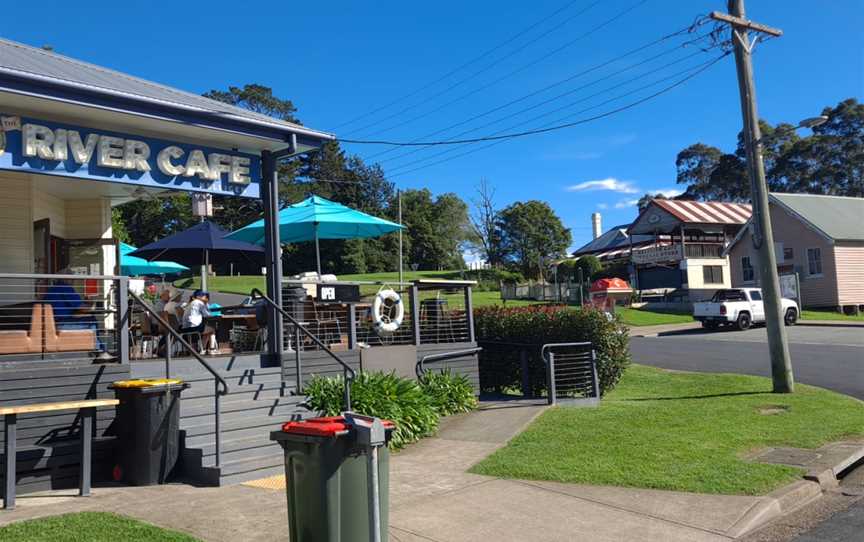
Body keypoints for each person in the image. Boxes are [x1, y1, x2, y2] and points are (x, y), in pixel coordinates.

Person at [42, 270, 103, 350]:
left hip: (55, 324)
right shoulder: (65, 287)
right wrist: (91, 304)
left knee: (89, 319)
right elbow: (81, 308)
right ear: (67, 279)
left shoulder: (51, 290)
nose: (74, 281)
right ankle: (99, 350)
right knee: (92, 321)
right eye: (72, 278)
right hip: (63, 324)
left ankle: (98, 349)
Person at [181, 290, 215, 354]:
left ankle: (204, 349)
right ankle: (211, 349)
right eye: (206, 296)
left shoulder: (190, 303)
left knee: (207, 329)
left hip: (184, 328)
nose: (207, 298)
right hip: (194, 327)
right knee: (212, 329)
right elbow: (207, 315)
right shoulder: (199, 303)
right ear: (200, 297)